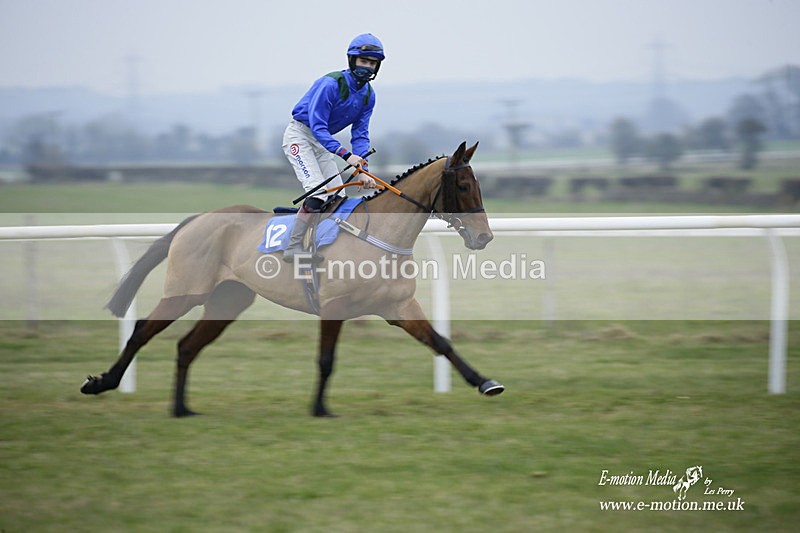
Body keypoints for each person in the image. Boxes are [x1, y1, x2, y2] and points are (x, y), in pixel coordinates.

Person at [281, 33, 384, 262]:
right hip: (300, 136)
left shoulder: (369, 96)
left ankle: (320, 245)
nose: (367, 67)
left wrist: (362, 168)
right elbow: (318, 128)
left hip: (321, 144)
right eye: (363, 61)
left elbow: (360, 134)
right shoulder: (330, 84)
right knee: (318, 191)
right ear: (352, 60)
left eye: (372, 63)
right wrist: (347, 157)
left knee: (337, 197)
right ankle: (293, 245)